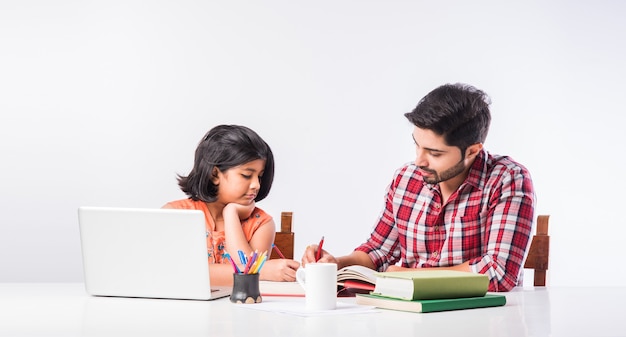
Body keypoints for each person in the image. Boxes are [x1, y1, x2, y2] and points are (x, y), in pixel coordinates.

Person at [302, 83, 535, 292]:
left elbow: (498, 273)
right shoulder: (407, 178)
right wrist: (336, 264)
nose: (419, 161)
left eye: (435, 153)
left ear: (472, 151)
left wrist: (407, 275)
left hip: (479, 318)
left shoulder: (507, 179)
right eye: (417, 146)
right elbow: (379, 251)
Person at [164, 124, 300, 286]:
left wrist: (231, 214)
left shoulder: (261, 223)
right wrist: (261, 271)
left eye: (260, 176)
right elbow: (179, 273)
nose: (256, 185)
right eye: (246, 175)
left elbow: (249, 281)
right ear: (215, 174)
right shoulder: (175, 214)